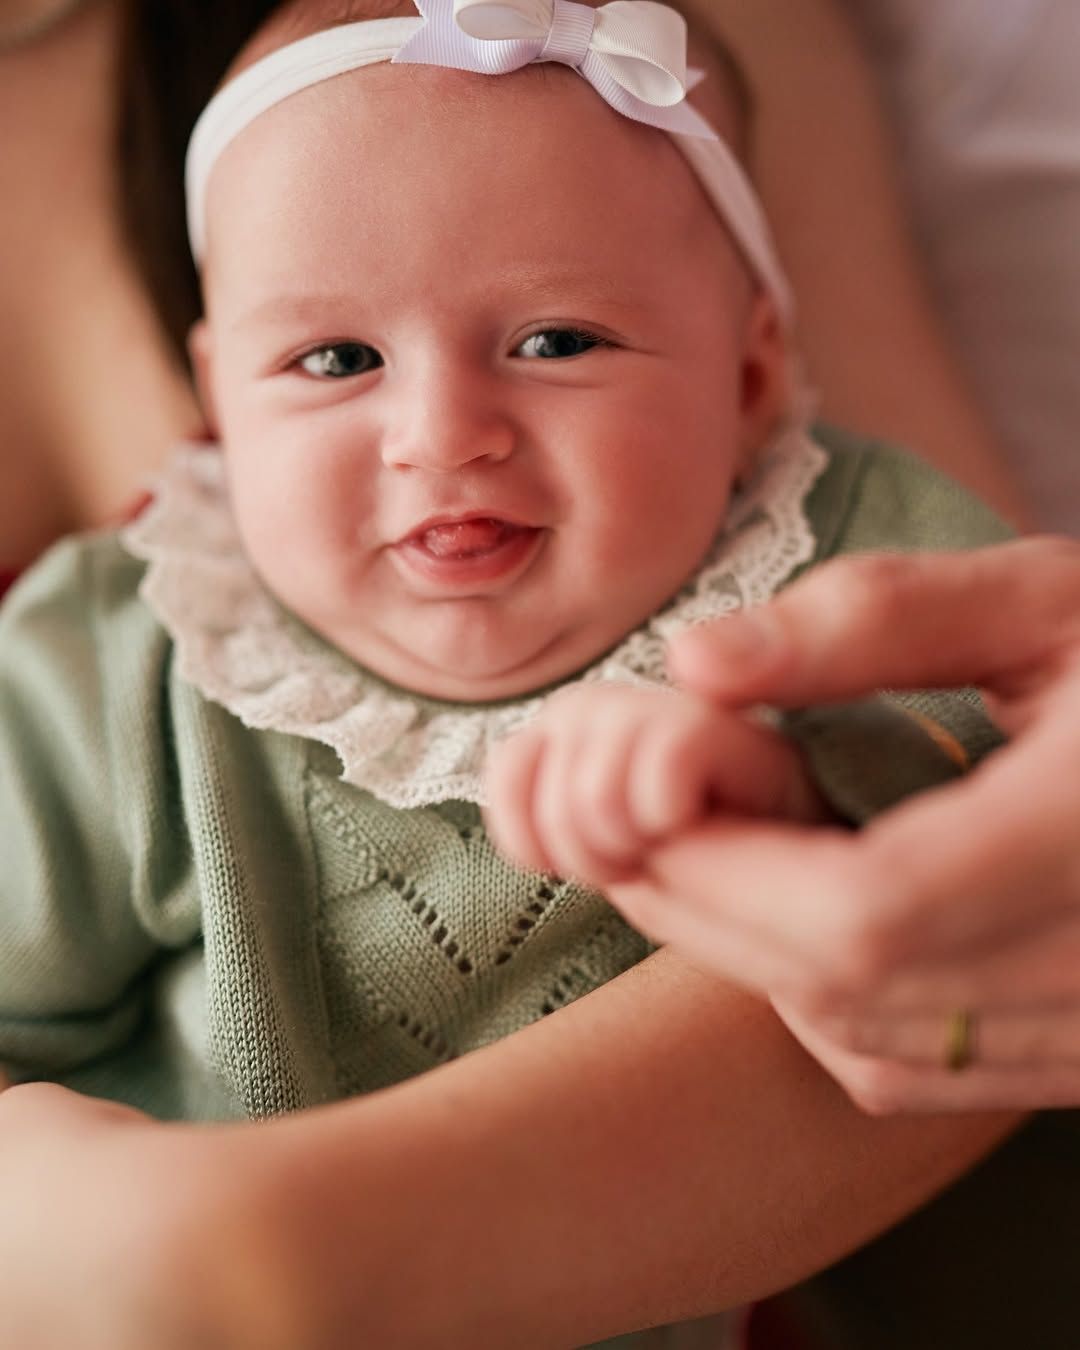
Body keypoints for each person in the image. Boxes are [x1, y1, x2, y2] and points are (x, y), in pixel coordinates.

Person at [0, 1, 1023, 1346]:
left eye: (556, 341)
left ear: (758, 369)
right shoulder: (130, 657)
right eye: (335, 359)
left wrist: (784, 793)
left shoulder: (825, 558)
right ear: (218, 404)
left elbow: (1005, 823)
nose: (442, 435)